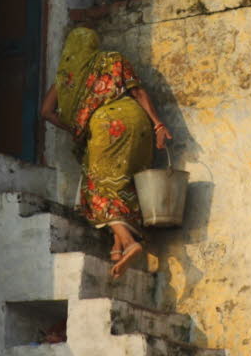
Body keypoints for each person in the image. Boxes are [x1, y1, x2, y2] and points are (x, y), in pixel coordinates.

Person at [41, 27, 172, 278]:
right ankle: (117, 247)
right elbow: (138, 91)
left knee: (97, 188)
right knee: (123, 184)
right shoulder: (111, 60)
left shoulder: (65, 78)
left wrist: (75, 125)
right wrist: (158, 124)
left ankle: (130, 242)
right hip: (139, 123)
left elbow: (46, 112)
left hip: (106, 128)